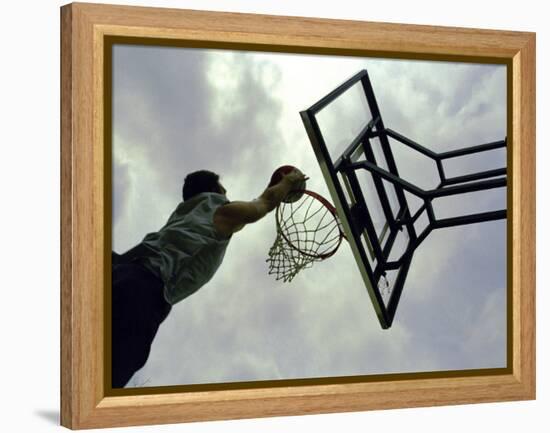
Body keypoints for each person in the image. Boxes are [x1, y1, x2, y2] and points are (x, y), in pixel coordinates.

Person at [111, 168, 306, 388]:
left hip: (122, 275)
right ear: (215, 191)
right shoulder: (219, 211)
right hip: (143, 291)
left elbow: (260, 199)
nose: (227, 196)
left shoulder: (186, 214)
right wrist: (289, 181)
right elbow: (264, 204)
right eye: (224, 191)